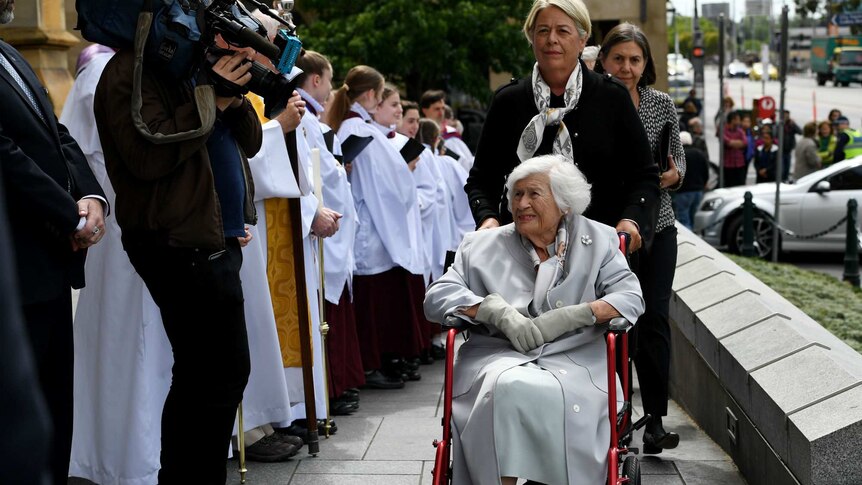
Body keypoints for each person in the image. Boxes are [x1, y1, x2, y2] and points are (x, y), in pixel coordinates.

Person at [93, 38, 261, 483]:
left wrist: (229, 93)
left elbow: (252, 141)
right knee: (211, 376)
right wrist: (211, 95)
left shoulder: (191, 67)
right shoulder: (128, 71)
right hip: (178, 244)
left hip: (214, 238)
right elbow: (148, 155)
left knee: (214, 374)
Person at [424, 155, 645, 485]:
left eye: (533, 194)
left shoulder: (600, 240)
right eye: (516, 194)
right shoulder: (481, 245)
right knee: (507, 387)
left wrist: (577, 315)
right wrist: (490, 311)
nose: (521, 204)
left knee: (538, 393)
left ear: (565, 203)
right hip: (496, 357)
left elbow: (630, 298)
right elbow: (436, 298)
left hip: (577, 363)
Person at [0, 3, 108, 482]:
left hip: (48, 261)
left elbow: (56, 133)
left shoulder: (11, 54)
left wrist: (90, 197)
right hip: (18, 258)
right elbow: (6, 154)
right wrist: (69, 215)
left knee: (55, 400)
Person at [464, 0, 658, 257]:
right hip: (519, 254)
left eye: (562, 31)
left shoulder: (612, 97)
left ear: (582, 40)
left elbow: (644, 176)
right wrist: (488, 219)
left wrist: (631, 220)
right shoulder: (508, 101)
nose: (551, 39)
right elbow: (481, 180)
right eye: (542, 31)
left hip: (597, 252)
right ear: (531, 37)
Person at [597, 21, 685, 453]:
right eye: (619, 59)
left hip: (658, 226)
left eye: (635, 60)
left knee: (653, 319)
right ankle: (617, 416)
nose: (627, 68)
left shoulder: (661, 103)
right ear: (603, 60)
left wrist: (666, 176)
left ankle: (654, 420)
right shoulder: (591, 102)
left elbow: (678, 167)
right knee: (614, 323)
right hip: (606, 230)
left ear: (646, 64)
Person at [327, 65, 426, 389]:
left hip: (371, 227)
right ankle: (372, 364)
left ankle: (380, 360)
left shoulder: (355, 128)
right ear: (370, 95)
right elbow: (390, 186)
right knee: (373, 307)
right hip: (372, 230)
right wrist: (405, 173)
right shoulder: (361, 132)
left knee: (377, 304)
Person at [294, 49, 366, 413]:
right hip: (314, 224)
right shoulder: (302, 117)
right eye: (329, 78)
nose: (331, 89)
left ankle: (333, 387)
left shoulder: (311, 119)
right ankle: (326, 390)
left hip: (326, 222)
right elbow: (308, 176)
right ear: (316, 79)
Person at [673, 132, 708, 230]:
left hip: (684, 191)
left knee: (684, 219)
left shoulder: (679, 156)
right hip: (698, 190)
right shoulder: (699, 153)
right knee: (694, 218)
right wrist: (703, 183)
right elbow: (706, 170)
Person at [722, 111, 748, 187]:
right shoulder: (723, 130)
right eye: (738, 119)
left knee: (740, 186)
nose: (740, 122)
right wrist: (738, 143)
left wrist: (732, 142)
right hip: (728, 165)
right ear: (733, 120)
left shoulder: (740, 131)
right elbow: (727, 142)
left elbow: (745, 143)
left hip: (739, 164)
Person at [780, 110, 802, 182]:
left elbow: (800, 132)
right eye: (784, 116)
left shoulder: (791, 125)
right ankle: (781, 180)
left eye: (787, 116)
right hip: (781, 150)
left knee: (787, 168)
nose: (786, 117)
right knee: (782, 168)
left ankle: (785, 179)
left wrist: (794, 124)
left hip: (788, 150)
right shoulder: (779, 124)